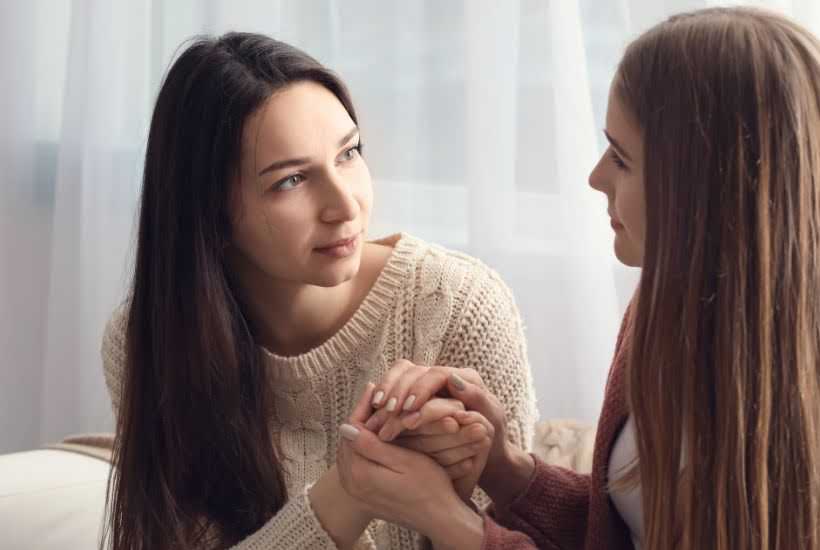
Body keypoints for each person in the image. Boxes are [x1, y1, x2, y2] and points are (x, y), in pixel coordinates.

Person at [337, 7, 820, 550]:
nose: (595, 177)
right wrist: (507, 467)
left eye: (621, 157)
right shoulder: (661, 312)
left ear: (701, 185)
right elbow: (626, 526)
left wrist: (450, 523)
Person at [99, 33, 536, 550]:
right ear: (209, 212)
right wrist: (348, 495)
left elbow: (518, 535)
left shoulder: (457, 303)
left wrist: (449, 496)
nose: (344, 205)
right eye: (291, 181)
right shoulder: (148, 341)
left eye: (349, 153)